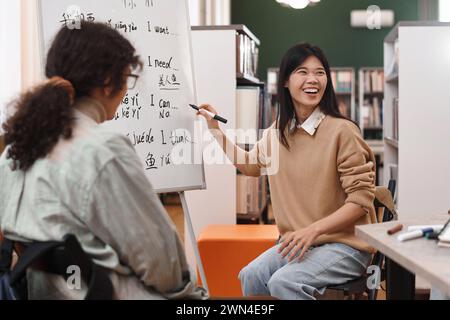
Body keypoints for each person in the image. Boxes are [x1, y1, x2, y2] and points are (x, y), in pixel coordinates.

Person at [0, 21, 207, 300]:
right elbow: (163, 265)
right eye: (128, 79)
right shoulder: (103, 150)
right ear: (109, 82)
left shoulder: (15, 150)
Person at [198, 43, 376, 300]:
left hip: (346, 247)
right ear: (285, 81)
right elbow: (250, 165)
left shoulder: (342, 131)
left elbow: (361, 201)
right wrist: (215, 128)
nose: (312, 79)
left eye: (320, 72)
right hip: (302, 245)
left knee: (285, 282)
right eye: (302, 72)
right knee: (251, 275)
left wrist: (312, 230)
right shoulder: (276, 133)